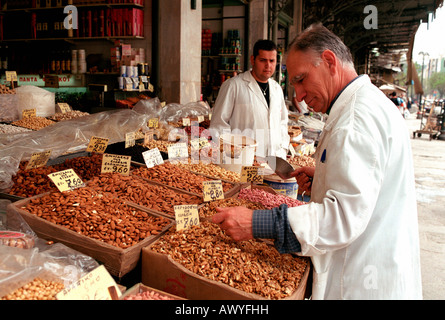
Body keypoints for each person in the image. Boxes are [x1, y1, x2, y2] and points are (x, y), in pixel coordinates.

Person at [212, 23, 422, 300]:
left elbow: (342, 218)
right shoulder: (366, 104)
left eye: (301, 79)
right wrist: (324, 177)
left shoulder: (356, 120)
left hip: (362, 281)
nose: (297, 95)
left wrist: (256, 223)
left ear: (329, 62)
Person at [209, 40, 290, 159]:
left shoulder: (277, 89)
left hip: (274, 159)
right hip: (242, 160)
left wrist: (282, 149)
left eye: (272, 61)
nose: (268, 65)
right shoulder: (233, 85)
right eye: (263, 60)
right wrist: (234, 153)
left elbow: (283, 123)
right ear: (253, 60)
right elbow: (218, 124)